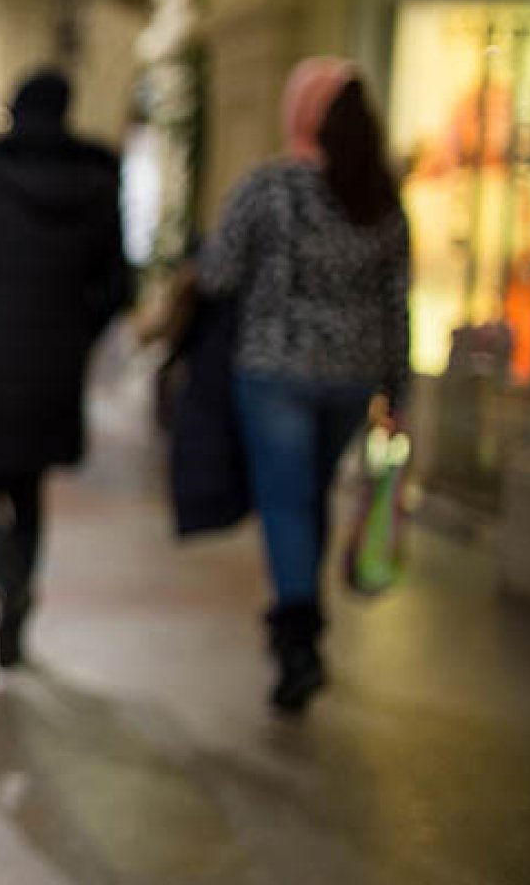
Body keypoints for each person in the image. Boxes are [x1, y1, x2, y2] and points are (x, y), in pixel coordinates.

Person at [198, 58, 410, 714]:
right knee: (306, 495)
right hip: (353, 376)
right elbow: (396, 300)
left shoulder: (273, 188)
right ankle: (301, 612)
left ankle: (296, 634)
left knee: (286, 501)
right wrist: (398, 391)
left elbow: (217, 271)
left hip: (276, 370)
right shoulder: (378, 197)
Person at [0, 70, 133, 669]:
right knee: (27, 486)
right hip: (57, 358)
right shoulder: (97, 181)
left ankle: (4, 576)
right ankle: (17, 582)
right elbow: (118, 284)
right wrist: (77, 330)